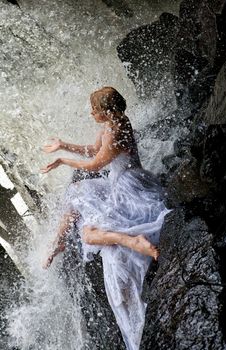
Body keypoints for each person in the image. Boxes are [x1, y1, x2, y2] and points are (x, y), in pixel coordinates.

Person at [41, 86, 170, 350]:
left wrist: (64, 161)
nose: (91, 113)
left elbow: (94, 165)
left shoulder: (116, 130)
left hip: (130, 190)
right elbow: (93, 150)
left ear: (107, 112)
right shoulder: (115, 123)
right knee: (77, 191)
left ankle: (133, 242)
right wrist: (62, 145)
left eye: (95, 109)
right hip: (120, 182)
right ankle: (59, 241)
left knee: (89, 233)